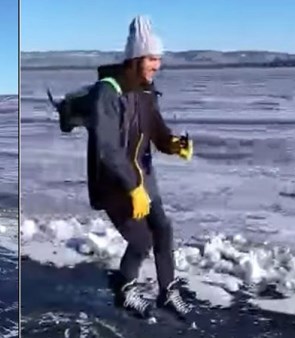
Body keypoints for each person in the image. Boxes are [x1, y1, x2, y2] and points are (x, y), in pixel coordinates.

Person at [84, 16, 194, 319]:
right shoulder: (106, 93)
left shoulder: (146, 91)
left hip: (144, 178)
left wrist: (172, 144)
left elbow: (155, 131)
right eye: (152, 58)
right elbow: (107, 149)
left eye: (159, 58)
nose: (157, 65)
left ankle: (168, 291)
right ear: (134, 59)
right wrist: (132, 187)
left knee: (163, 229)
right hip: (115, 182)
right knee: (141, 240)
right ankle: (125, 291)